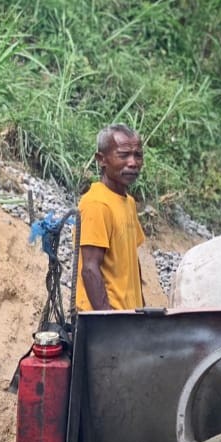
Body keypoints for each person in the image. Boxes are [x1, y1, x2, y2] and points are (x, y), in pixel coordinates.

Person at [76, 124, 146, 311]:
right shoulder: (97, 204)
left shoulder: (128, 202)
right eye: (123, 155)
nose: (133, 162)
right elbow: (90, 269)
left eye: (138, 155)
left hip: (128, 316)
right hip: (104, 319)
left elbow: (132, 262)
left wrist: (141, 310)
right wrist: (108, 319)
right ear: (102, 160)